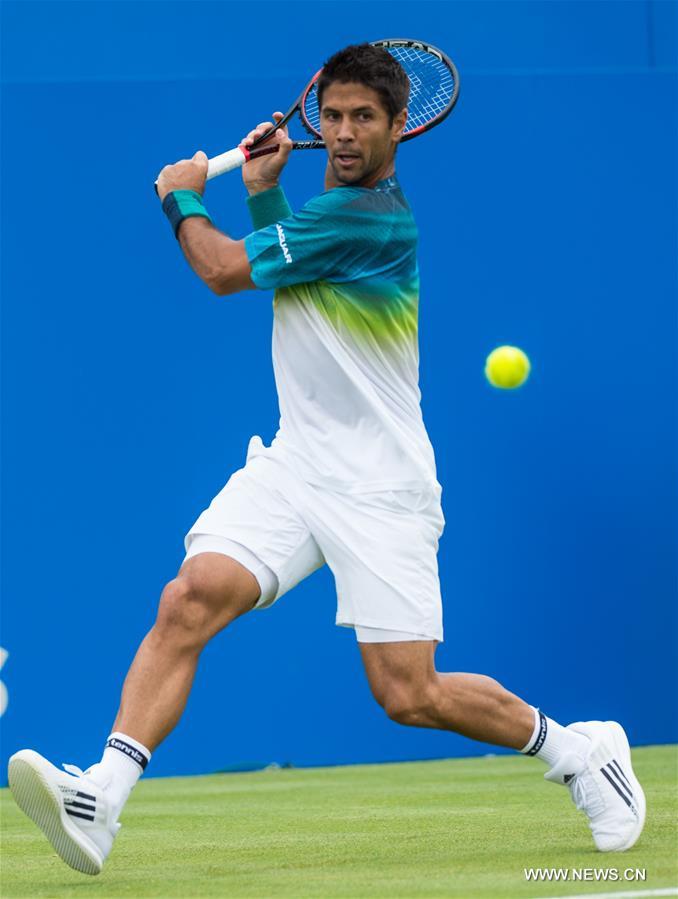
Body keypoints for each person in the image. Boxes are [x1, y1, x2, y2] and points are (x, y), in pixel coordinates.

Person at [8, 44, 645, 876]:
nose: (343, 133)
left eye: (363, 119)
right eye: (333, 115)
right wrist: (265, 186)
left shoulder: (368, 217)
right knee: (190, 597)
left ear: (398, 128)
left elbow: (224, 270)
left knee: (408, 693)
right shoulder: (327, 214)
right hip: (297, 464)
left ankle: (578, 750)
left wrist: (181, 197)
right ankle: (102, 798)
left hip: (381, 488)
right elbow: (284, 267)